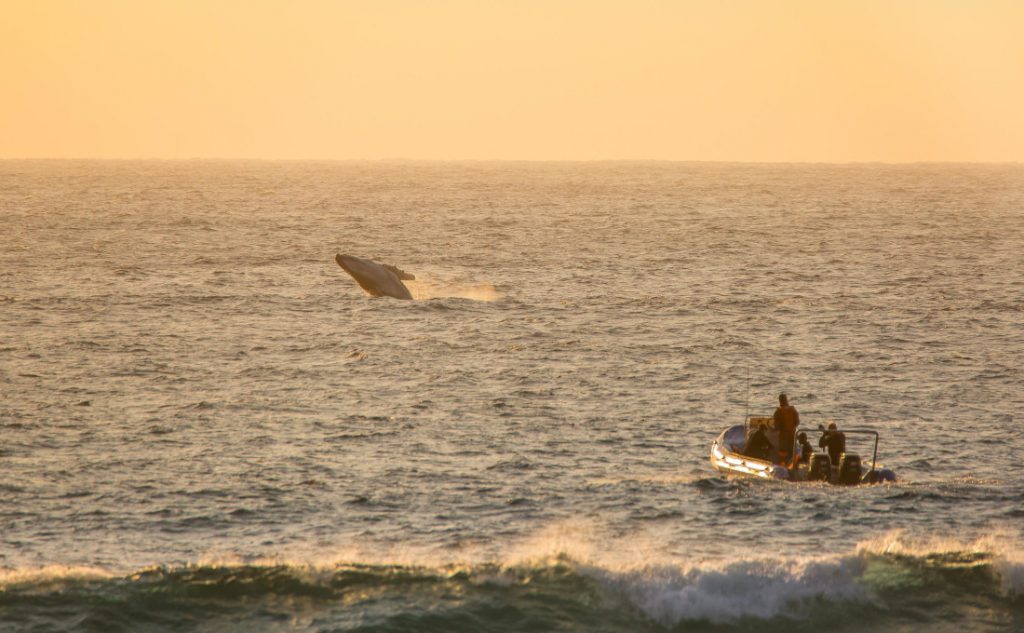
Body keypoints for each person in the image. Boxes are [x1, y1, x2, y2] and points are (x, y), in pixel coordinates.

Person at [773, 393, 800, 466]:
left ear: (780, 401)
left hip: (783, 436)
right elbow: (797, 422)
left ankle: (783, 466)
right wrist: (793, 428)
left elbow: (776, 426)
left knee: (783, 452)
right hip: (792, 435)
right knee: (792, 452)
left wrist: (775, 429)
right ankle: (792, 464)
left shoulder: (778, 412)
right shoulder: (793, 410)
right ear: (786, 400)